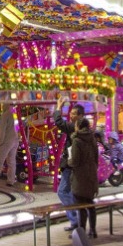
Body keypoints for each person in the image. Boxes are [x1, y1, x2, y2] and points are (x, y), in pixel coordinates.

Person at [54, 96, 84, 232]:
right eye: (70, 113)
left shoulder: (75, 127)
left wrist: (59, 107)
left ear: (80, 116)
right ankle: (75, 221)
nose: (71, 115)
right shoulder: (83, 128)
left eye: (73, 114)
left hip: (71, 165)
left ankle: (75, 220)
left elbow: (59, 122)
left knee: (61, 191)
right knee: (71, 193)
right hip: (76, 165)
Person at [68, 116, 100, 238]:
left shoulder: (76, 140)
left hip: (80, 177)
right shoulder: (93, 139)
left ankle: (81, 233)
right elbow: (96, 159)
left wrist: (69, 161)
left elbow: (75, 160)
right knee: (90, 203)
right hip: (91, 175)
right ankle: (93, 230)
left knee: (81, 205)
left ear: (78, 127)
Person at [0, 104, 19, 186]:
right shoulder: (15, 114)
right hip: (15, 140)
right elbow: (17, 128)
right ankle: (11, 180)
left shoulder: (5, 115)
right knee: (12, 161)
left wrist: (0, 142)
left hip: (6, 141)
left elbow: (2, 131)